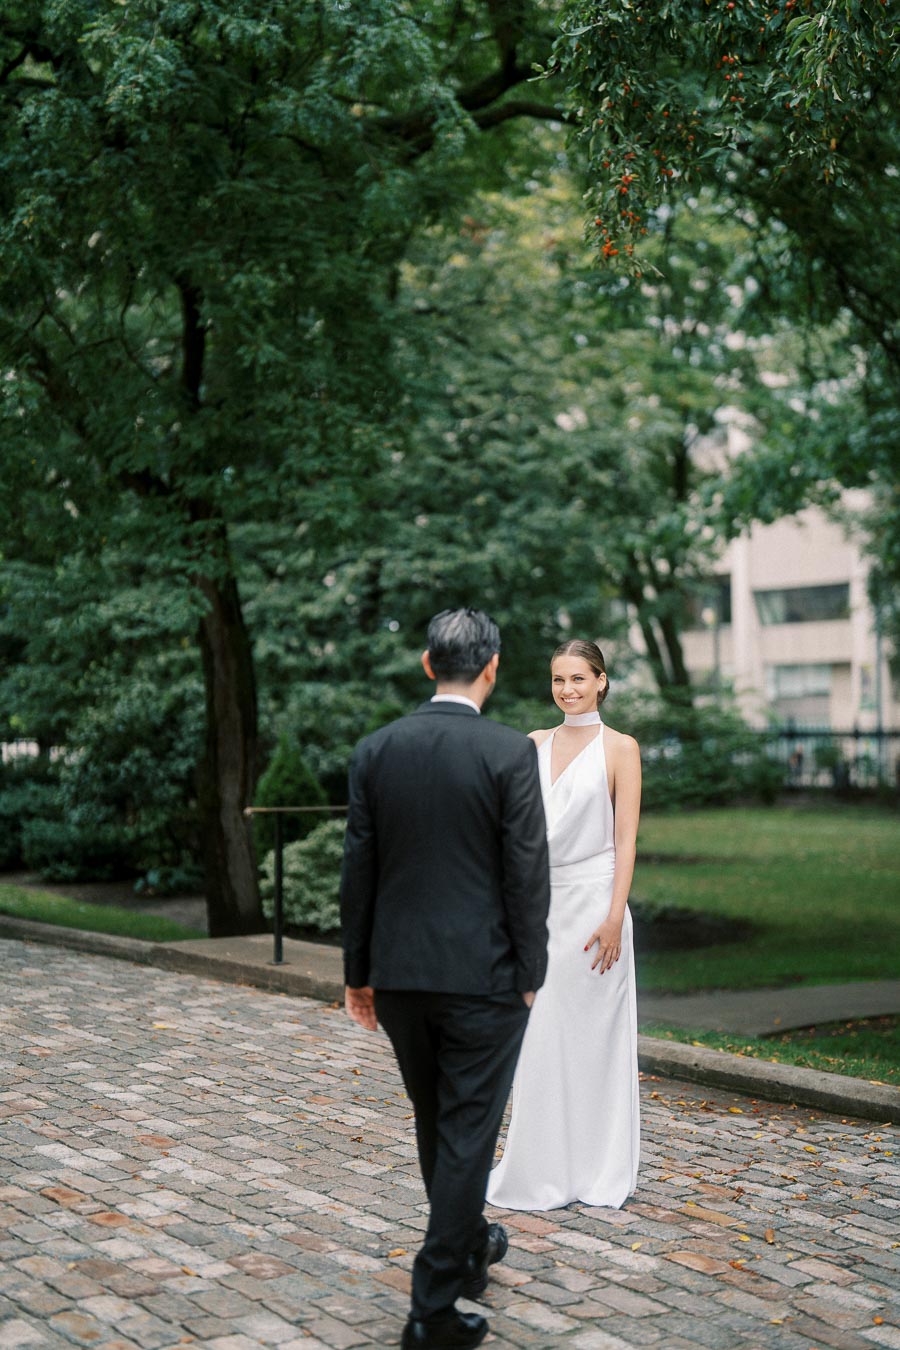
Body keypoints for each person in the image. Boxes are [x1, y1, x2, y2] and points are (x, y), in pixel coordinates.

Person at [340, 608, 551, 1350]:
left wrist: (357, 973)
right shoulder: (509, 753)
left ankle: (467, 1250)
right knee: (467, 1131)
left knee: (441, 1124)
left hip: (399, 979)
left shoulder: (376, 750)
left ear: (429, 665)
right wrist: (532, 972)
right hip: (485, 979)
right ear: (491, 667)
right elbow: (526, 873)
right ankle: (431, 1310)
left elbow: (357, 871)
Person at [486, 638, 641, 1211]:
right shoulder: (532, 744)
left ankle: (598, 1170)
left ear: (601, 681)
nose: (568, 690)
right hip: (541, 909)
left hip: (597, 910)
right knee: (541, 1041)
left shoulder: (621, 748)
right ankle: (540, 1167)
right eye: (558, 680)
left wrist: (613, 918)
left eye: (579, 679)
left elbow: (625, 841)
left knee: (593, 1044)